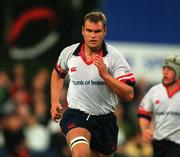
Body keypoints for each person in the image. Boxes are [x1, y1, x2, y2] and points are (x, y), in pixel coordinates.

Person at [50, 11, 135, 157]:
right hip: (77, 115)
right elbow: (58, 74)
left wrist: (105, 75)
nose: (93, 35)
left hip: (105, 120)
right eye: (89, 31)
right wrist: (54, 101)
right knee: (81, 153)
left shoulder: (114, 58)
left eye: (97, 31)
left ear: (104, 32)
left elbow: (129, 94)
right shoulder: (69, 53)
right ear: (83, 30)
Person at [137, 54, 180, 157]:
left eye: (170, 69)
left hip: (177, 144)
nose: (165, 72)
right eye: (164, 68)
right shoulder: (155, 91)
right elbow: (143, 113)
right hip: (158, 143)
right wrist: (145, 130)